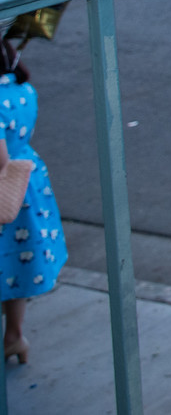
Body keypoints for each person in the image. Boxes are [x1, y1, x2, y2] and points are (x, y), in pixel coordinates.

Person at [0, 42, 62, 365]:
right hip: (27, 182)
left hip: (4, 184)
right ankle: (14, 335)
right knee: (15, 266)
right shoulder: (24, 91)